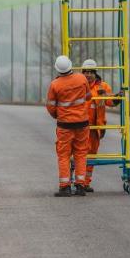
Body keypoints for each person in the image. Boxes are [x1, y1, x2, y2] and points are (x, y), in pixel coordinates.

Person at [46, 55, 91, 197]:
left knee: (64, 155)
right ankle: (80, 186)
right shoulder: (82, 79)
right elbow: (88, 96)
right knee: (81, 153)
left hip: (64, 125)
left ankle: (65, 187)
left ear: (57, 69)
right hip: (82, 123)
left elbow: (51, 106)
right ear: (71, 65)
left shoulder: (55, 85)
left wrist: (58, 115)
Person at [81, 59, 118, 192]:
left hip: (96, 128)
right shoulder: (78, 85)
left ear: (95, 73)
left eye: (91, 72)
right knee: (80, 154)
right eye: (86, 72)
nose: (88, 74)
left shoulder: (103, 87)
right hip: (80, 127)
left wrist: (117, 98)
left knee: (91, 155)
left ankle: (85, 182)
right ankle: (78, 181)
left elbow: (110, 101)